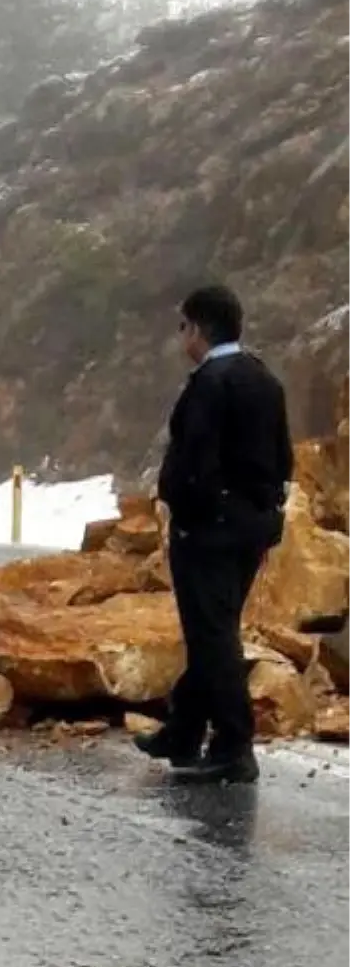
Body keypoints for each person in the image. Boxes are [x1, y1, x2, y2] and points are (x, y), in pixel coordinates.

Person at [137, 284, 293, 784]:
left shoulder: (210, 383)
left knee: (213, 636)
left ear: (199, 329)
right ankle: (183, 729)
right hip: (252, 527)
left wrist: (186, 510)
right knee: (215, 630)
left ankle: (233, 744)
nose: (182, 338)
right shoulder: (265, 379)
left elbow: (194, 462)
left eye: (183, 327)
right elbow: (282, 457)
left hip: (209, 532)